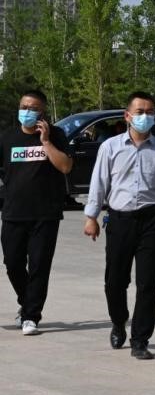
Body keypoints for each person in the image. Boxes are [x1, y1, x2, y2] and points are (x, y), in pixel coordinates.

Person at [83, 91, 155, 360]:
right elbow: (99, 183)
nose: (145, 116)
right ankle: (119, 321)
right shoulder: (110, 147)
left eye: (150, 112)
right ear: (127, 116)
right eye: (140, 112)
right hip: (120, 220)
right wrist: (91, 216)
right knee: (115, 282)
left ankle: (140, 340)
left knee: (148, 283)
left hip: (151, 220)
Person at [0, 89, 73, 335]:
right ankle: (26, 302)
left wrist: (46, 142)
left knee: (39, 266)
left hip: (45, 213)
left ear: (43, 112)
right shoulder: (7, 138)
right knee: (12, 264)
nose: (27, 112)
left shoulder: (56, 135)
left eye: (33, 109)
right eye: (24, 107)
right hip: (13, 212)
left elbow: (65, 166)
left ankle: (31, 316)